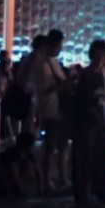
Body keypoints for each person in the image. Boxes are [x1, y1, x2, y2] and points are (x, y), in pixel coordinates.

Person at [71, 39, 105, 204]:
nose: (99, 58)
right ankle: (85, 191)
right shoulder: (88, 75)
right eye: (97, 55)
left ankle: (98, 189)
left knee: (99, 155)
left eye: (102, 55)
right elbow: (85, 101)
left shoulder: (100, 75)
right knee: (86, 156)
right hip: (86, 121)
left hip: (96, 118)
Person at [33, 31, 69, 191]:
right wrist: (62, 86)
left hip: (59, 108)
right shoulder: (41, 64)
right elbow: (44, 89)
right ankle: (47, 179)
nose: (60, 49)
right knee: (51, 147)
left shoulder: (53, 62)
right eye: (59, 46)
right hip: (50, 109)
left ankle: (61, 177)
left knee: (62, 146)